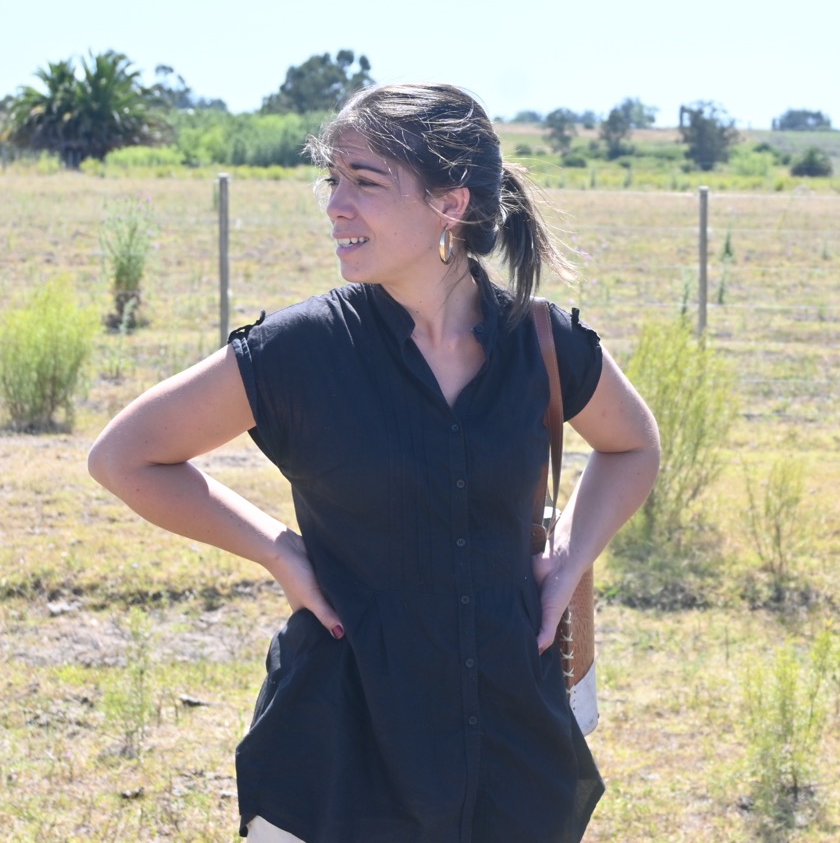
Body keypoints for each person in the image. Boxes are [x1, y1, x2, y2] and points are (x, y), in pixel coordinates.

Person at [88, 83, 660, 843]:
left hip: (511, 748)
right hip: (340, 751)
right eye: (334, 180)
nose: (335, 206)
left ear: (450, 206)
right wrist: (277, 551)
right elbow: (124, 457)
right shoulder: (302, 350)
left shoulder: (543, 345)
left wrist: (569, 560)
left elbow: (634, 446)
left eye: (364, 182)